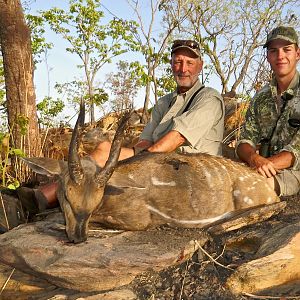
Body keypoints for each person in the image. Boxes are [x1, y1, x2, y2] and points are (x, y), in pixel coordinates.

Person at [16, 39, 224, 219]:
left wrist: (129, 165)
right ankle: (44, 197)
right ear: (171, 64)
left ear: (200, 66)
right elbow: (145, 141)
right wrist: (122, 157)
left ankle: (43, 199)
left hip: (190, 170)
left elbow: (176, 139)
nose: (183, 68)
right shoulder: (165, 102)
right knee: (103, 149)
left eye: (189, 62)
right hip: (159, 160)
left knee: (109, 171)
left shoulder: (209, 98)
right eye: (178, 61)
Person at [236, 26, 300, 196]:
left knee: (248, 188)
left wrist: (263, 165)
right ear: (268, 57)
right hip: (262, 167)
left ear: (297, 54)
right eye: (273, 51)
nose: (280, 56)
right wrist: (254, 159)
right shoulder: (259, 97)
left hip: (294, 171)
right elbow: (244, 141)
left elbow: (296, 152)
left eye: (286, 49)